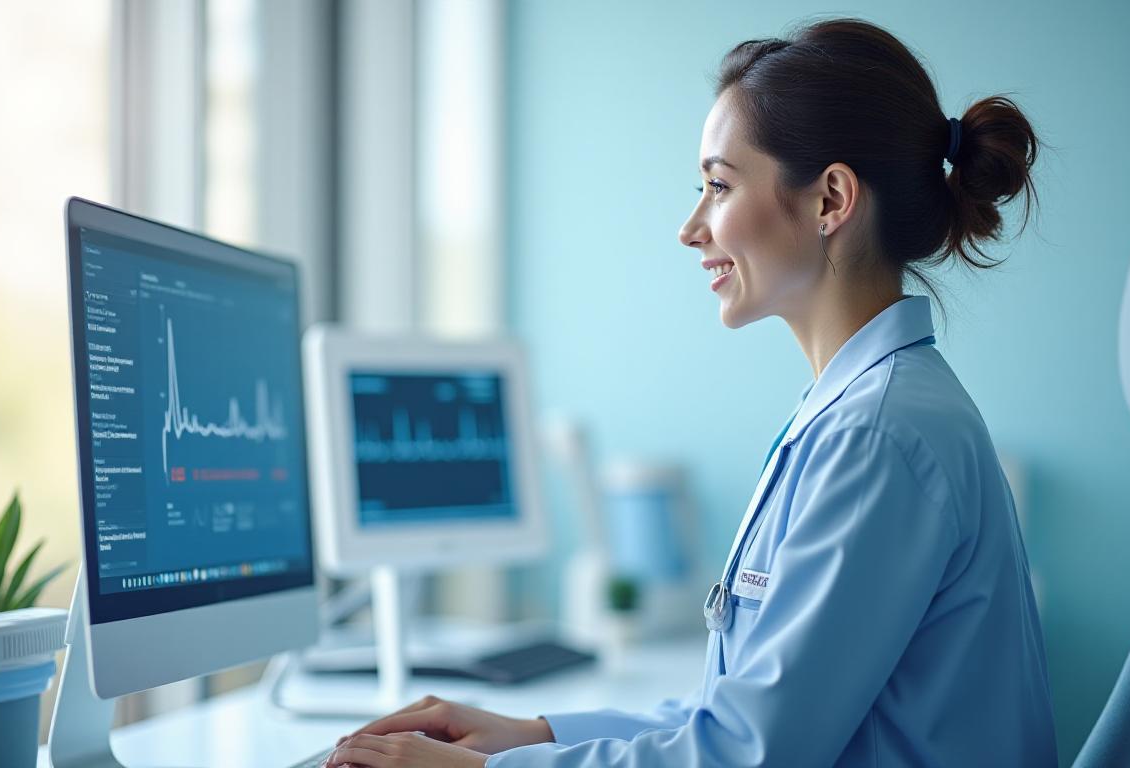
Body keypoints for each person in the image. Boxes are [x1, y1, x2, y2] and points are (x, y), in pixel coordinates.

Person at [325, 17, 1058, 768]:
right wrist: (536, 735)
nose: (689, 227)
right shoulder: (862, 413)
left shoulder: (876, 436)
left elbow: (749, 755)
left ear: (831, 199)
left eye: (718, 186)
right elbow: (740, 708)